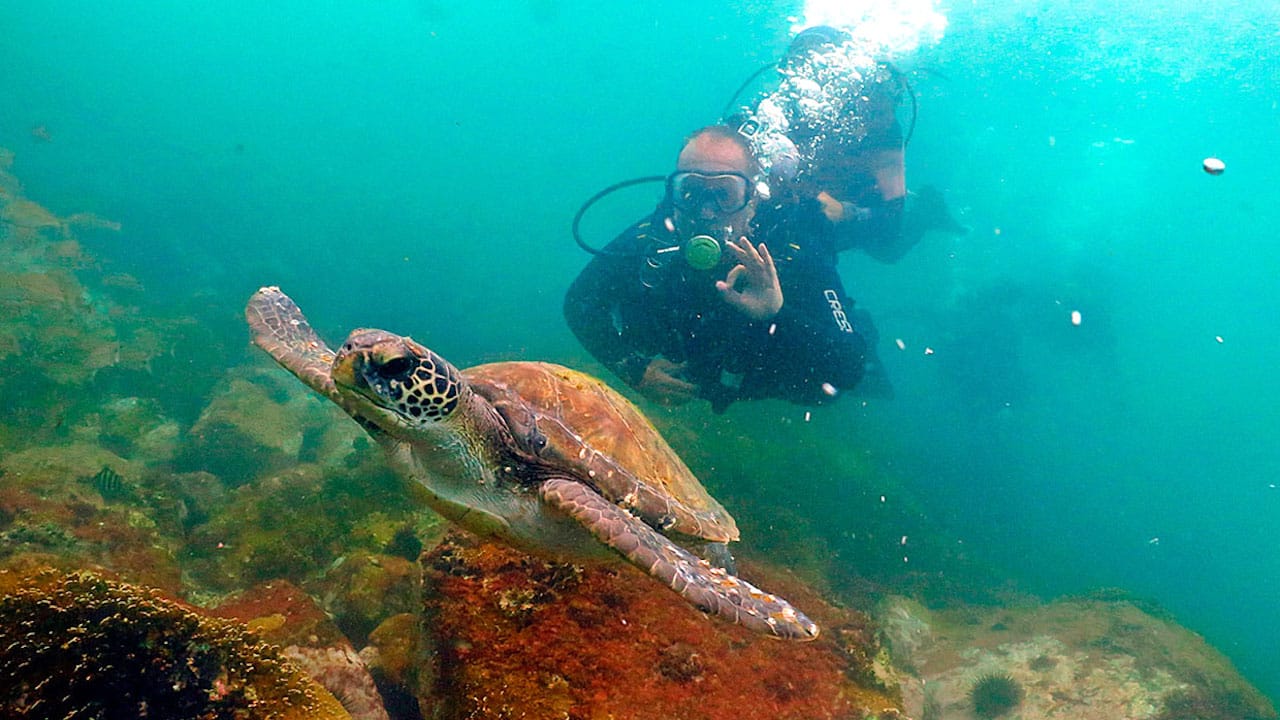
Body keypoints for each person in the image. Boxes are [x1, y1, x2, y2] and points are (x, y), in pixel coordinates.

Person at [564, 125, 869, 412]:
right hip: (697, 364)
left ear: (752, 201)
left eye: (724, 193)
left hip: (767, 384)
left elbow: (850, 366)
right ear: (674, 195)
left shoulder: (793, 249)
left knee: (828, 387)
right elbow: (580, 302)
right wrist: (633, 369)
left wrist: (776, 313)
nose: (705, 212)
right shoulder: (654, 237)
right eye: (691, 191)